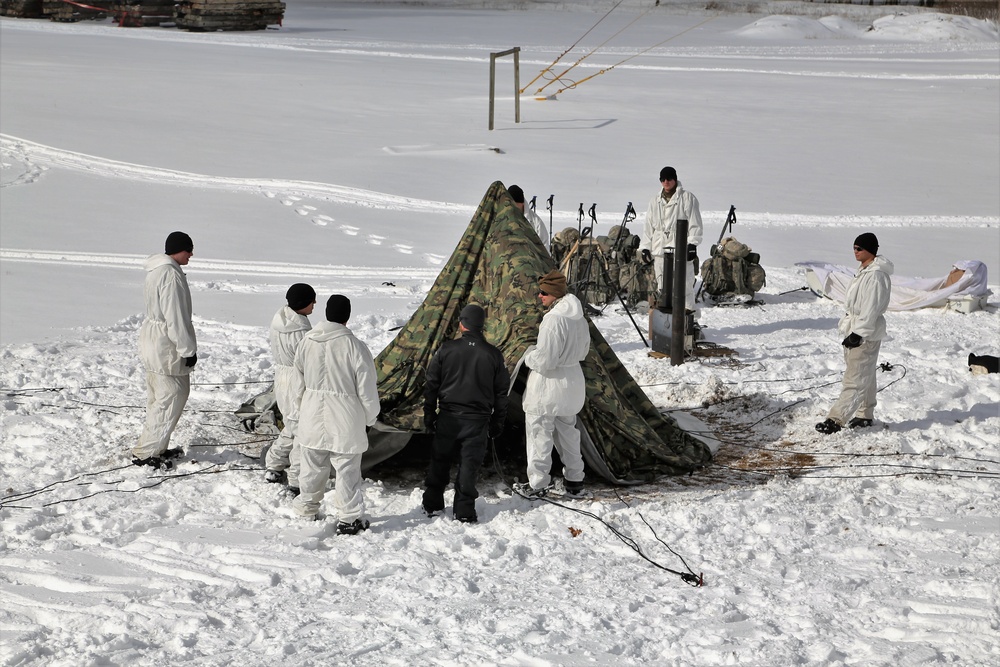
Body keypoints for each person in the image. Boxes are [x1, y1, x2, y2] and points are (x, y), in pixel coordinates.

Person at [291, 295, 380, 533]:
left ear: (327, 313)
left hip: (311, 413)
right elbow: (367, 389)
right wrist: (369, 418)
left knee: (311, 465)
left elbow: (296, 383)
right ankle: (349, 518)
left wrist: (302, 409)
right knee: (347, 469)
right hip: (346, 417)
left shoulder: (307, 342)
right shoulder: (356, 347)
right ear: (347, 317)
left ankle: (307, 509)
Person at [422, 304, 510, 523]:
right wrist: (498, 422)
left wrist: (429, 413)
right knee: (469, 466)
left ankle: (432, 504)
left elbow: (431, 384)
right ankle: (464, 511)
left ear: (462, 324)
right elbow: (501, 393)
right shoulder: (493, 354)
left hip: (448, 417)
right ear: (481, 326)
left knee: (439, 461)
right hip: (477, 421)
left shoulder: (446, 349)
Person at [516, 270, 591, 498]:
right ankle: (575, 480)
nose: (539, 296)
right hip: (572, 383)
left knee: (540, 433)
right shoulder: (578, 316)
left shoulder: (553, 319)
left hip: (548, 386)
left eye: (543, 293)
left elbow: (546, 359)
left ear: (554, 294)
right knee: (568, 433)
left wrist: (528, 356)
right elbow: (584, 350)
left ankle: (538, 484)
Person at [816, 233, 894, 434]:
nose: (855, 252)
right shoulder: (865, 271)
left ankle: (836, 419)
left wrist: (859, 333)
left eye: (859, 248)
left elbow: (871, 308)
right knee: (864, 373)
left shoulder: (876, 275)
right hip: (855, 327)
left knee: (855, 377)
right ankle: (864, 414)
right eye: (854, 247)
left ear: (870, 250)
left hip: (864, 332)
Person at [133, 231, 198, 470]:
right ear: (178, 249)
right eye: (188, 249)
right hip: (166, 345)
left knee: (160, 397)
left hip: (154, 340)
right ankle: (146, 453)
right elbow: (176, 318)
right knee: (170, 398)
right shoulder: (170, 275)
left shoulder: (157, 270)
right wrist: (188, 349)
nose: (192, 254)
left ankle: (156, 446)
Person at [263, 283, 316, 492]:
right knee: (301, 433)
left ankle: (274, 465)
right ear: (303, 303)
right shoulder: (302, 331)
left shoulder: (279, 320)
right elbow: (308, 363)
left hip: (282, 379)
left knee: (291, 427)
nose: (314, 304)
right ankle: (296, 479)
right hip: (296, 382)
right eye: (312, 300)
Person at [637, 166, 704, 311]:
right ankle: (667, 320)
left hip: (681, 249)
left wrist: (692, 244)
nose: (666, 182)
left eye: (669, 179)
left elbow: (695, 223)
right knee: (663, 285)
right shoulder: (654, 201)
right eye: (663, 179)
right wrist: (645, 247)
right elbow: (648, 227)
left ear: (675, 179)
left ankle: (687, 319)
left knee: (684, 285)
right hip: (660, 249)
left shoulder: (687, 198)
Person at [509, 184, 550, 250]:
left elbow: (544, 246)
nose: (513, 207)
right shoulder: (500, 219)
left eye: (515, 204)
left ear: (522, 203)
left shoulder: (535, 222)